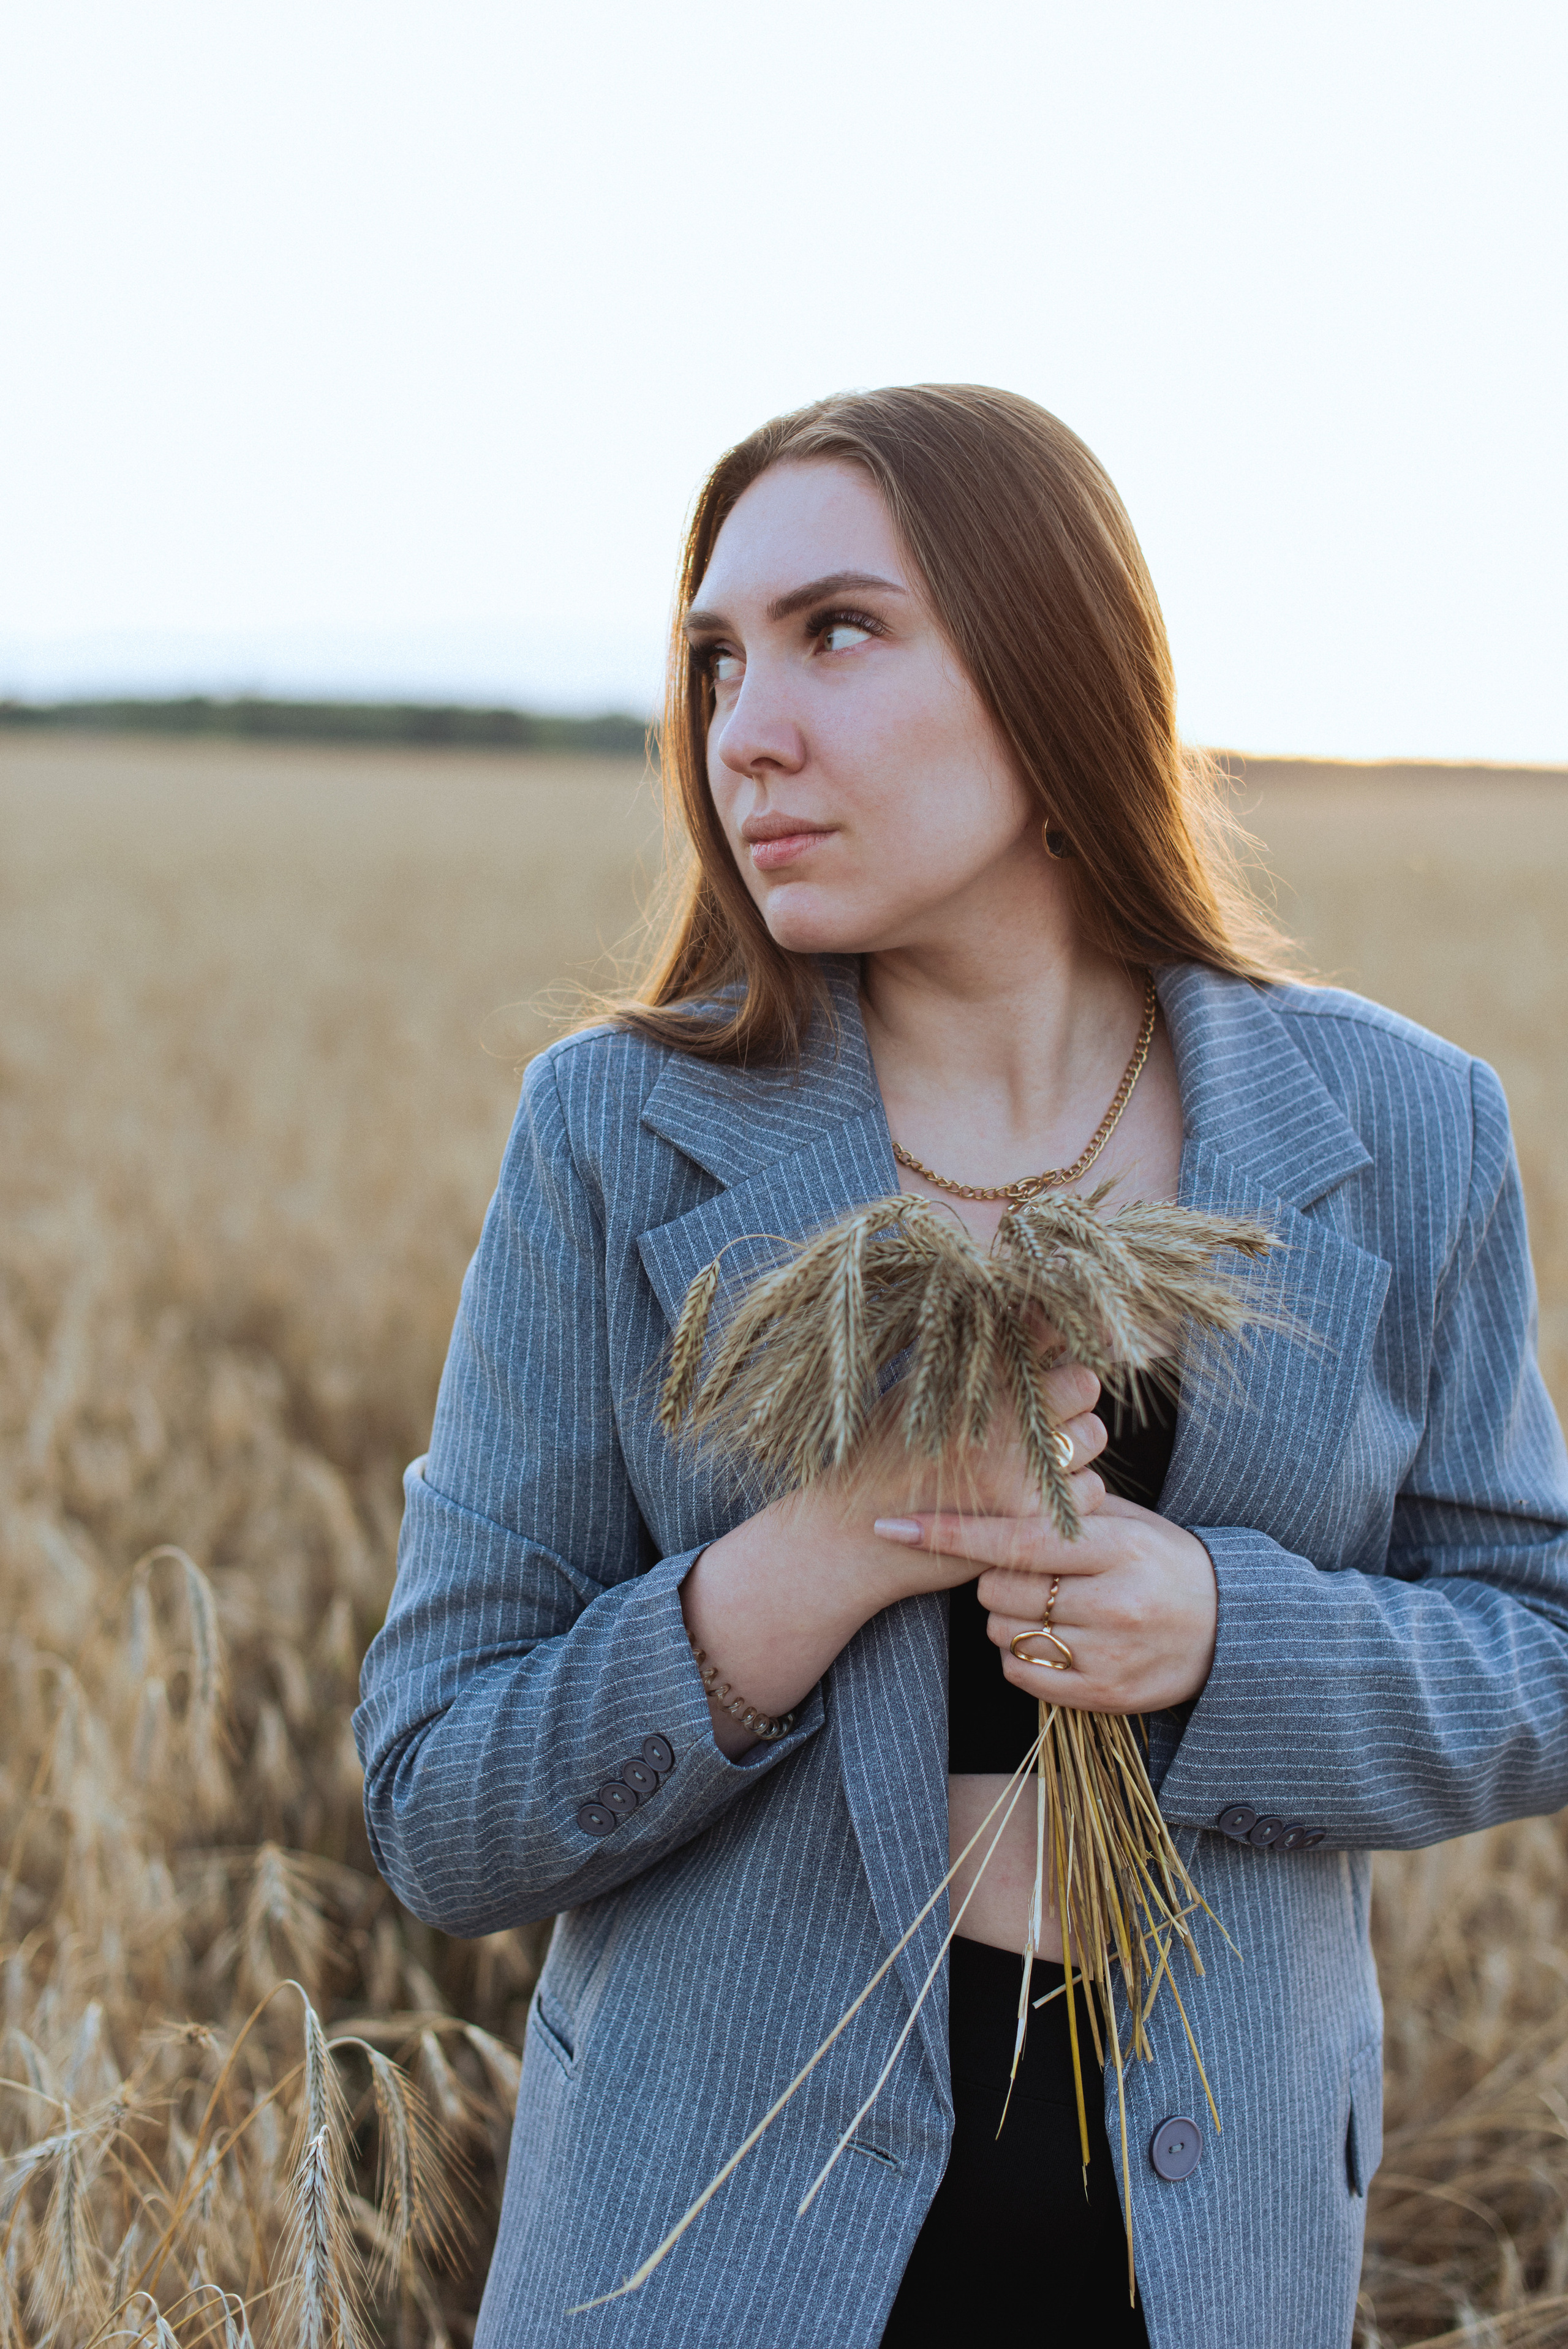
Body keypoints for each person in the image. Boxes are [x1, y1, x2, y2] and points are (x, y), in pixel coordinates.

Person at [354, 385, 1568, 2348]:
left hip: (1203, 2251)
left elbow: (1545, 1642)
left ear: (1052, 658)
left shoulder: (1401, 1124)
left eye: (839, 630)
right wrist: (820, 1550)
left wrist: (1218, 1632)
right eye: (717, 659)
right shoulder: (612, 1131)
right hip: (709, 2245)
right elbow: (436, 1799)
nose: (749, 727)